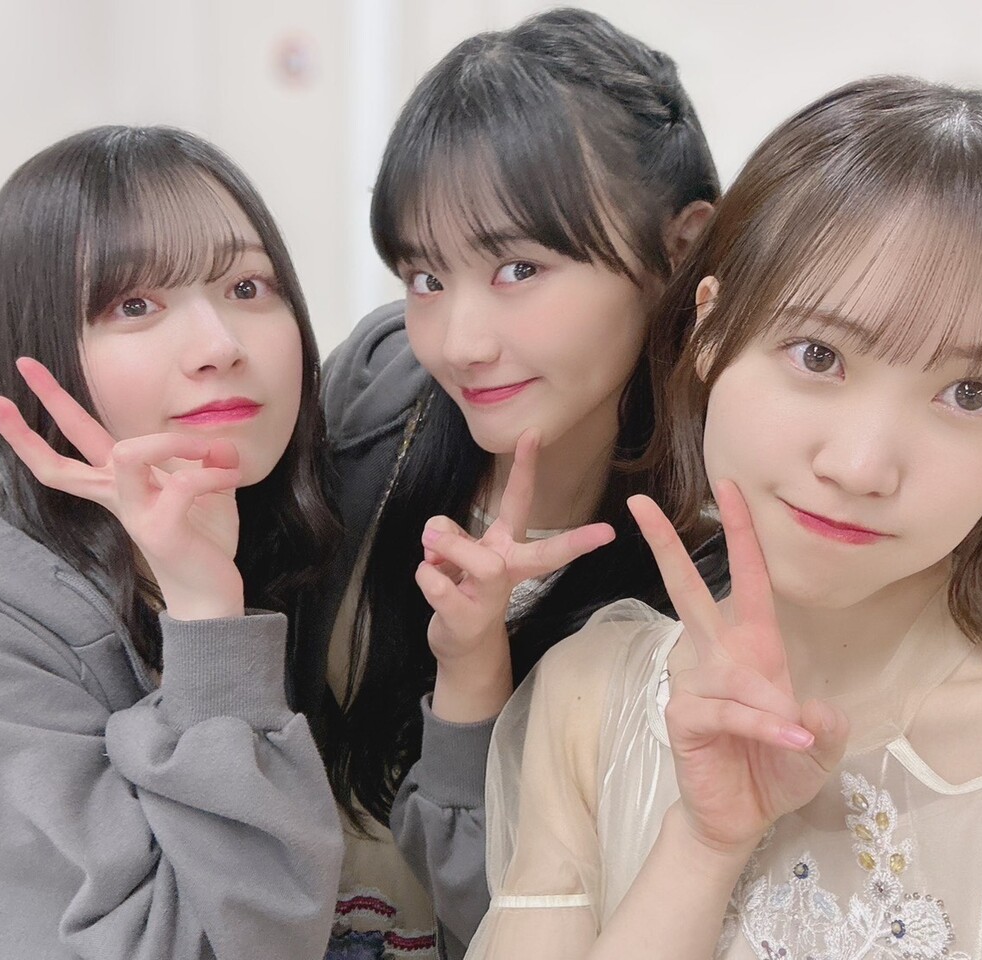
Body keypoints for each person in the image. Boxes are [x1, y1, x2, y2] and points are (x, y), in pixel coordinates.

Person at [466, 76, 982, 959]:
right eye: (819, 354)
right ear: (709, 331)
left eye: (970, 393)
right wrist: (702, 846)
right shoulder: (588, 701)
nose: (860, 466)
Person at [0, 126, 343, 959]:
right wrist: (210, 625)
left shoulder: (281, 530)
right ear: (32, 349)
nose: (220, 346)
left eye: (247, 286)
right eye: (133, 305)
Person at [311, 8, 724, 957]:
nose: (460, 343)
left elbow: (543, 910)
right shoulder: (380, 386)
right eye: (425, 276)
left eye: (517, 268)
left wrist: (474, 676)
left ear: (680, 251)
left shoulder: (708, 563)